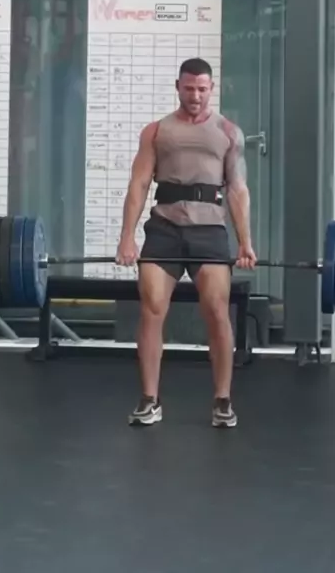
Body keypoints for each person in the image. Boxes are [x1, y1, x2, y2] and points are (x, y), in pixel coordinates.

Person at [116, 57, 257, 428]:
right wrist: (127, 237)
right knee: (152, 308)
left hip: (209, 232)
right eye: (189, 88)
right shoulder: (156, 132)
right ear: (177, 87)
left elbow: (238, 190)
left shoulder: (229, 133)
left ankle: (223, 400)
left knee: (216, 310)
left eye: (202, 89)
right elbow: (139, 185)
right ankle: (149, 400)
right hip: (164, 229)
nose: (195, 95)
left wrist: (245, 242)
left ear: (212, 89)